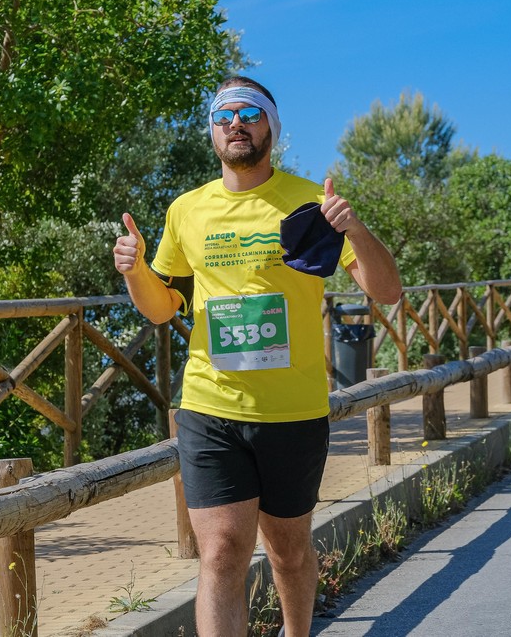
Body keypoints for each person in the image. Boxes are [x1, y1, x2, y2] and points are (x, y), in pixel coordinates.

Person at [112, 76, 402, 636]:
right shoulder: (188, 210)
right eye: (224, 117)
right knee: (221, 553)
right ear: (213, 133)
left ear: (271, 125)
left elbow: (386, 291)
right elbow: (160, 307)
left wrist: (355, 229)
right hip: (209, 404)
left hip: (292, 409)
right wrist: (135, 271)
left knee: (289, 551)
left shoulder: (310, 204)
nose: (235, 125)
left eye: (248, 114)